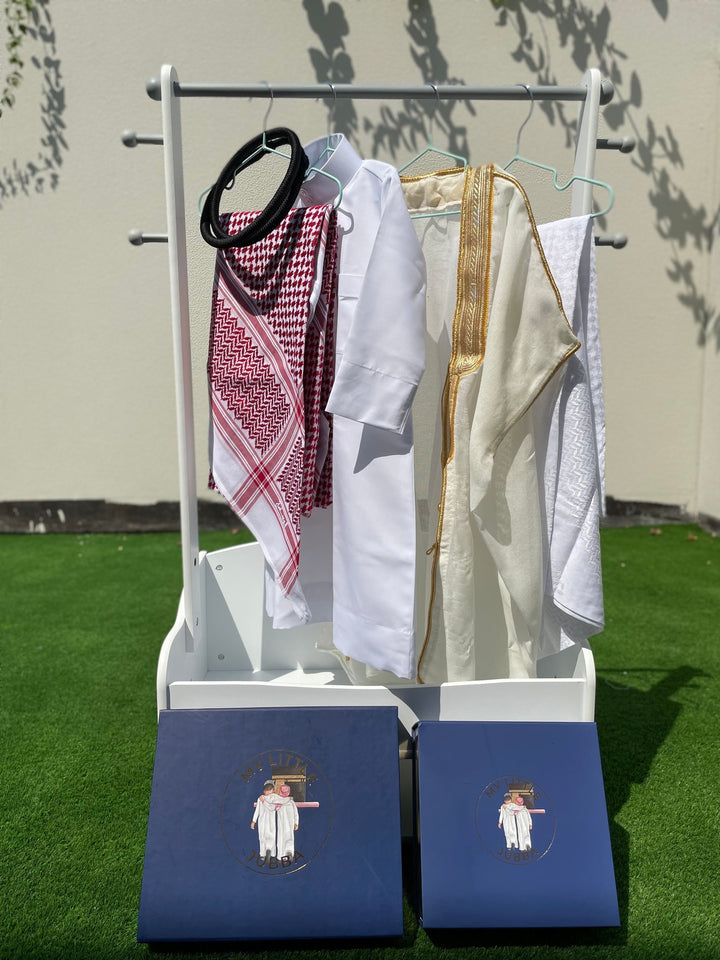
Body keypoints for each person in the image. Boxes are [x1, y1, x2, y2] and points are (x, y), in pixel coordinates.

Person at [250, 780, 278, 859]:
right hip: (262, 821)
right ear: (264, 791)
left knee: (271, 836)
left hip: (271, 822)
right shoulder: (260, 798)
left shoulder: (275, 799)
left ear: (273, 790)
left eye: (270, 789)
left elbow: (272, 808)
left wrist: (264, 802)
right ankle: (262, 854)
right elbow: (257, 811)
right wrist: (253, 821)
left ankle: (272, 854)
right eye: (266, 790)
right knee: (262, 837)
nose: (268, 792)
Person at [274, 783, 299, 860]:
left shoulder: (289, 802)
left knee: (285, 839)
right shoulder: (280, 802)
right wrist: (296, 823)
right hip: (284, 825)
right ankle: (282, 855)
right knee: (285, 839)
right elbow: (296, 813)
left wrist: (296, 823)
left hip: (287, 825)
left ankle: (287, 854)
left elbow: (295, 813)